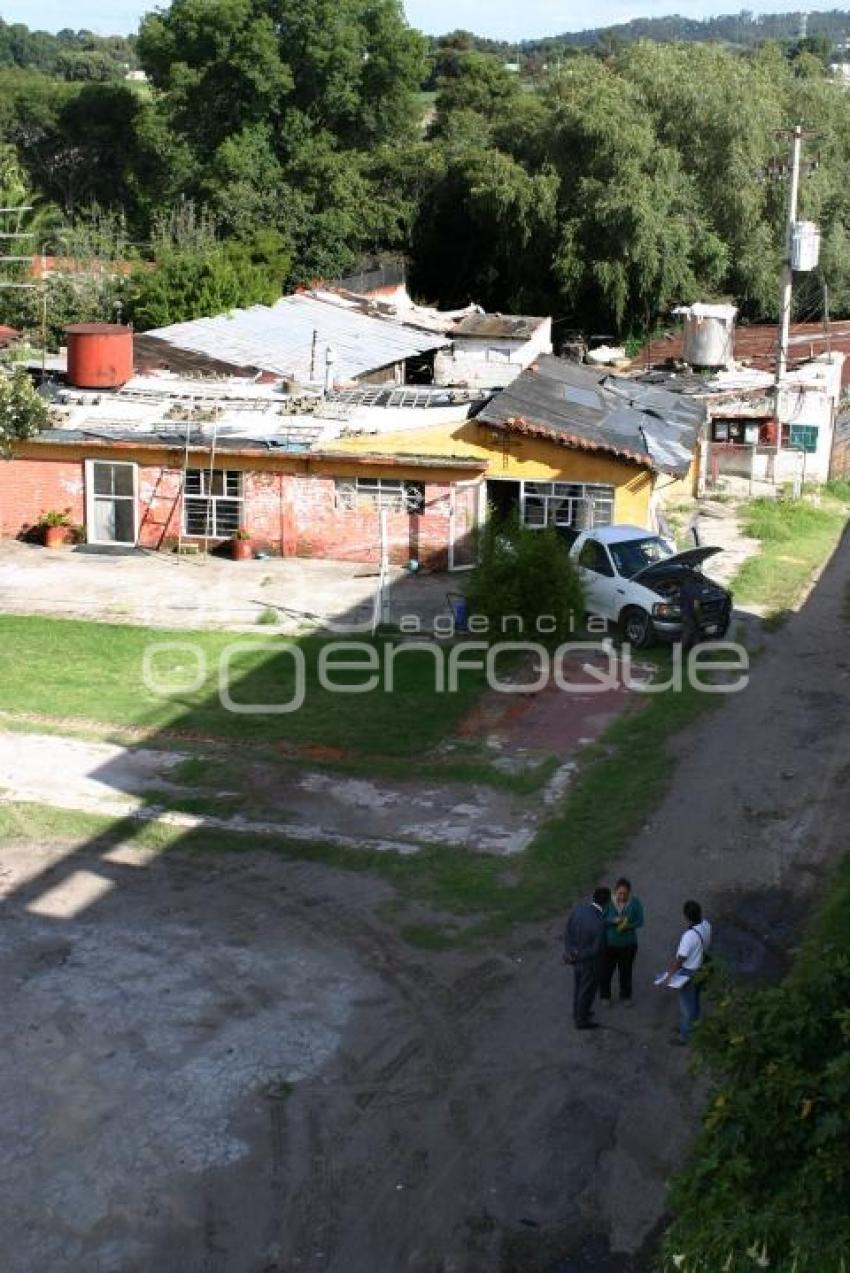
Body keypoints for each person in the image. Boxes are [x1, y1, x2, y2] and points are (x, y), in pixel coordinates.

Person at [664, 900, 712, 1045]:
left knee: (686, 1005)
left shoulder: (689, 936)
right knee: (695, 1000)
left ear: (687, 917)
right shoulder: (706, 925)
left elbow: (681, 958)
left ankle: (685, 1035)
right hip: (702, 968)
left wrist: (670, 974)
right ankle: (692, 1027)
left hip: (689, 972)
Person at [564, 887, 611, 1030]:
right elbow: (596, 950)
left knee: (578, 987)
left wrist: (571, 952)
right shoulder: (599, 923)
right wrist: (579, 955)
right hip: (589, 963)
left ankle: (577, 1011)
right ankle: (581, 1019)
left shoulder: (579, 910)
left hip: (574, 957)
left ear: (593, 897)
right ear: (607, 903)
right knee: (586, 990)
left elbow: (568, 932)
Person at [600, 877, 644, 1007]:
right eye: (620, 893)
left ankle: (625, 995)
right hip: (610, 945)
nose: (622, 896)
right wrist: (612, 921)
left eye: (625, 894)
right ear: (615, 892)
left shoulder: (635, 903)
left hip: (628, 945)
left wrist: (628, 925)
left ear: (630, 893)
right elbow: (600, 920)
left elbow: (640, 921)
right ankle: (605, 995)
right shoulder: (607, 903)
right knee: (606, 972)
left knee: (626, 972)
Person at [678, 571, 704, 653]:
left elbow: (680, 599)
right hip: (691, 615)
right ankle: (675, 656)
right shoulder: (698, 589)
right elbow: (696, 606)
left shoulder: (684, 587)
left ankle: (699, 653)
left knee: (696, 634)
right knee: (686, 635)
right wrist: (699, 617)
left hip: (684, 613)